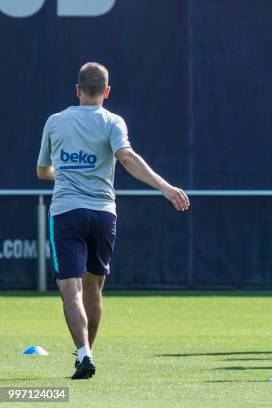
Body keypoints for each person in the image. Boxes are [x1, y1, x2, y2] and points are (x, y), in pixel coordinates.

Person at [36, 62, 190, 379]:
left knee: (70, 289)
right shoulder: (113, 122)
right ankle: (85, 354)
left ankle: (83, 353)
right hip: (104, 214)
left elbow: (42, 171)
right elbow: (127, 157)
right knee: (94, 288)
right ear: (106, 92)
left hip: (67, 212)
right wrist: (164, 186)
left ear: (77, 89)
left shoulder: (55, 122)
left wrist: (59, 172)